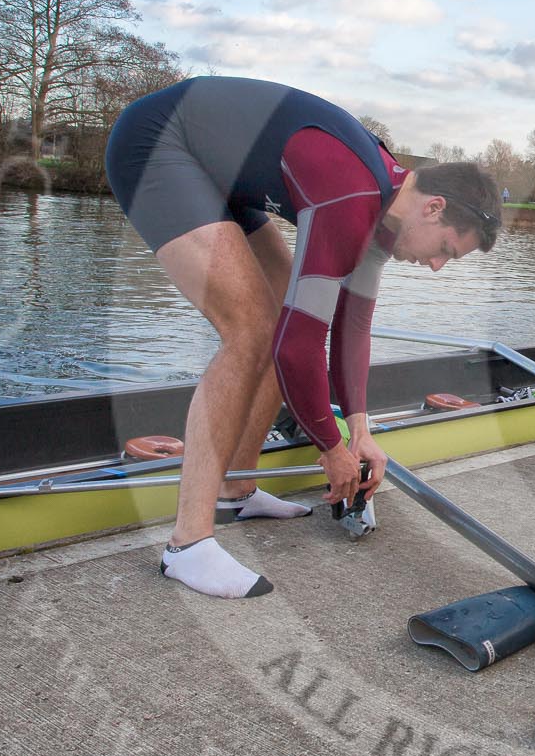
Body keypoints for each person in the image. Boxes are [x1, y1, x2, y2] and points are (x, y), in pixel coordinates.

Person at [104, 77, 501, 598]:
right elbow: (300, 344)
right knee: (251, 332)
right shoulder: (353, 194)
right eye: (446, 249)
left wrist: (359, 431)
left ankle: (236, 486)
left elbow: (351, 328)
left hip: (224, 178)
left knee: (277, 320)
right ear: (433, 207)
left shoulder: (384, 215)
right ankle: (188, 545)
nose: (435, 266)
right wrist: (330, 446)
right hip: (159, 146)